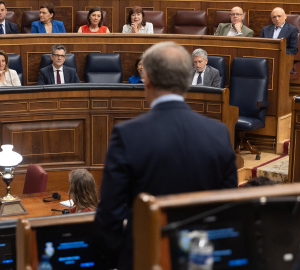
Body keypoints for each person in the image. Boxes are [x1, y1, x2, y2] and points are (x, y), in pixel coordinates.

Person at [94, 41, 237, 269]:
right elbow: (229, 211)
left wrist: (123, 259)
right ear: (184, 81)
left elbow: (109, 215)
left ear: (147, 80)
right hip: (200, 260)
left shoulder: (127, 134)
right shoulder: (219, 133)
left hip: (145, 258)